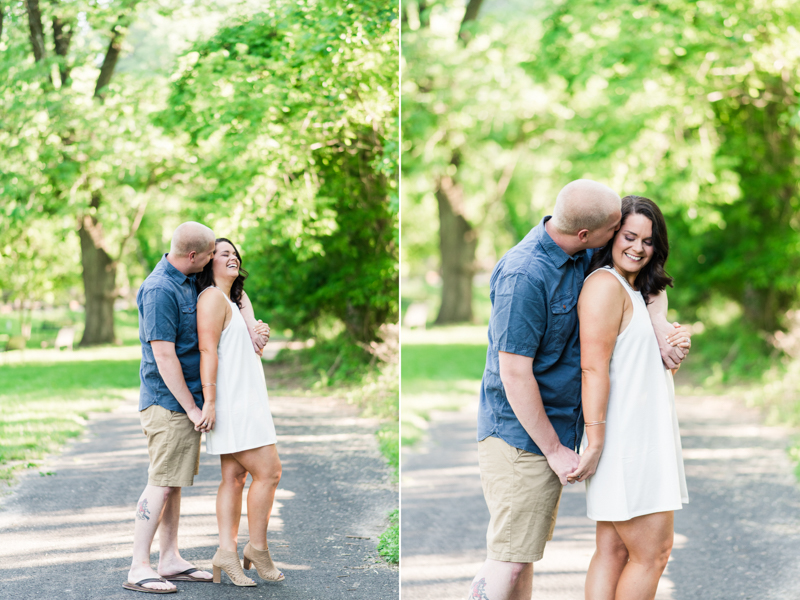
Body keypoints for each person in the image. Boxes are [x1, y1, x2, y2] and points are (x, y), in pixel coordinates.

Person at [466, 180, 690, 600]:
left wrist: (660, 327)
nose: (630, 244)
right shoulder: (525, 273)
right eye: (619, 232)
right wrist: (557, 449)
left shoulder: (580, 254)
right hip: (521, 435)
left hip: (561, 427)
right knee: (510, 558)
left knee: (523, 555)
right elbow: (514, 373)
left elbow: (648, 284)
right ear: (590, 235)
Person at [125, 223, 268, 594]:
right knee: (161, 481)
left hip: (187, 401)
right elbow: (163, 355)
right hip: (168, 402)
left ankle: (169, 558)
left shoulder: (188, 280)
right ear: (193, 256)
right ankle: (139, 565)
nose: (210, 263)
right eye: (208, 256)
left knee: (173, 482)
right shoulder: (159, 290)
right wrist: (192, 408)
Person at [568, 196, 689, 600]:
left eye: (648, 241)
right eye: (629, 236)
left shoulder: (638, 291)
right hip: (626, 442)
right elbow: (593, 367)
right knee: (653, 554)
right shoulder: (605, 285)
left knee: (615, 550)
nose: (638, 248)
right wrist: (596, 439)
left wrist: (673, 345)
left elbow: (640, 366)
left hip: (640, 437)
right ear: (611, 235)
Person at [196, 238, 284, 587]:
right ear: (208, 262)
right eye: (223, 254)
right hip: (232, 401)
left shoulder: (235, 299)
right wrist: (211, 401)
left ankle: (226, 553)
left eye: (234, 253)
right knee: (270, 472)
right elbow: (207, 351)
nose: (232, 257)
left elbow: (252, 349)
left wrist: (259, 333)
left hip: (248, 396)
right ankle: (257, 549)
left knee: (234, 478)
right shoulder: (212, 299)